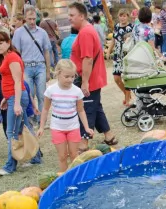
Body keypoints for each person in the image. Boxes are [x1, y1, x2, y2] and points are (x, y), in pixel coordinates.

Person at [0, 30, 42, 176]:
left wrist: (17, 103)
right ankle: (36, 157)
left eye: (1, 43)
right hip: (13, 97)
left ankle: (9, 166)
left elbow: (18, 82)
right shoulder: (6, 57)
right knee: (25, 128)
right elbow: (10, 81)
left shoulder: (12, 57)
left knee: (12, 132)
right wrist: (6, 98)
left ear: (8, 42)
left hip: (17, 97)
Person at [69, 2, 117, 148]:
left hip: (89, 79)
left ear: (82, 16)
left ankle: (84, 142)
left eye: (72, 15)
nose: (69, 18)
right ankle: (109, 135)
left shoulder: (85, 33)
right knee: (95, 106)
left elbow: (88, 59)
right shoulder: (87, 30)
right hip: (92, 78)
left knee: (86, 108)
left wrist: (84, 82)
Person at [38, 60, 93, 171]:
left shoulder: (77, 91)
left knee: (74, 155)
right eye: (66, 76)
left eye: (72, 76)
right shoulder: (50, 90)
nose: (70, 79)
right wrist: (41, 127)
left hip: (73, 127)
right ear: (58, 74)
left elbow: (81, 110)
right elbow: (45, 109)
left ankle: (75, 176)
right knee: (62, 156)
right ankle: (63, 177)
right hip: (57, 127)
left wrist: (86, 127)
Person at [12, 6, 51, 119]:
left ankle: (41, 119)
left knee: (42, 95)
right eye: (29, 19)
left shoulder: (42, 32)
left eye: (34, 19)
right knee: (29, 95)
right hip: (26, 66)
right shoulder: (18, 33)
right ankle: (29, 117)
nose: (32, 21)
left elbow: (46, 52)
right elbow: (17, 53)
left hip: (40, 66)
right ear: (25, 18)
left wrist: (48, 70)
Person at [108, 8, 133, 106]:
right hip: (117, 55)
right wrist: (109, 50)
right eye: (120, 16)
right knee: (116, 78)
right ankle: (126, 93)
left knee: (126, 78)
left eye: (124, 16)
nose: (122, 18)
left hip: (127, 55)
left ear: (127, 16)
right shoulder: (116, 26)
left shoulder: (131, 27)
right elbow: (114, 40)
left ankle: (127, 100)